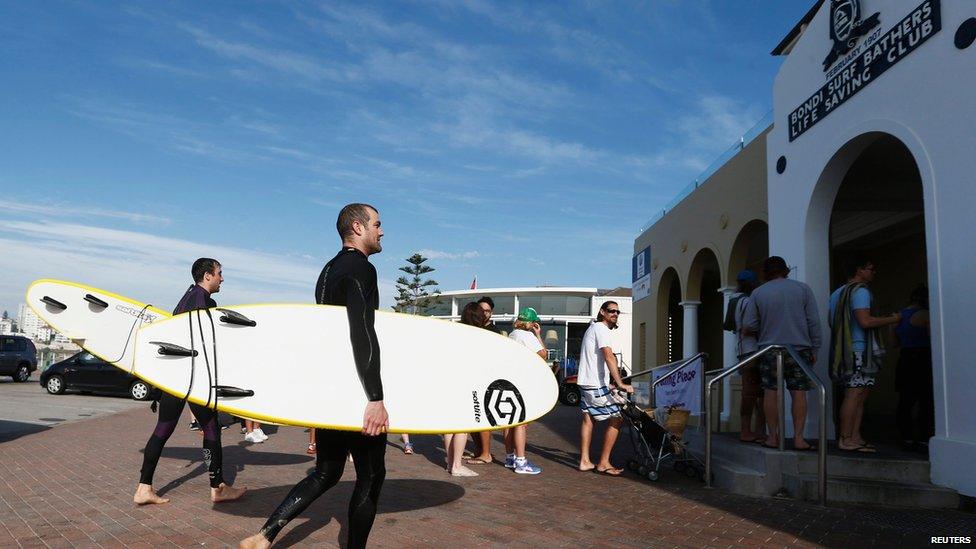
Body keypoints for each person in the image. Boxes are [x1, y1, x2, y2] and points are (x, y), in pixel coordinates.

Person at [240, 204, 389, 549]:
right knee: (371, 475)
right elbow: (362, 332)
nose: (381, 231)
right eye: (377, 225)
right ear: (358, 226)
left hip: (330, 390)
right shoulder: (361, 269)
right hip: (355, 391)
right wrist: (375, 397)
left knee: (326, 472)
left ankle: (264, 535)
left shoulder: (328, 271)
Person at [133, 258, 247, 505]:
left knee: (163, 430)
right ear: (207, 275)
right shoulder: (200, 302)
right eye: (219, 273)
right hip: (191, 379)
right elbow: (201, 343)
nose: (222, 278)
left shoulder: (187, 298)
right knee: (211, 427)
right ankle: (217, 488)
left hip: (175, 378)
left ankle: (144, 488)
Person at [742, 256, 822, 451]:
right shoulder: (803, 289)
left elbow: (749, 324)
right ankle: (799, 438)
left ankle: (773, 437)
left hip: (770, 349)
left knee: (771, 392)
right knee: (799, 393)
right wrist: (816, 347)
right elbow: (813, 321)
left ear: (765, 273)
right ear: (786, 270)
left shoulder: (758, 293)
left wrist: (766, 325)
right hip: (799, 349)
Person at [828, 256, 900, 453]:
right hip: (859, 350)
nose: (873, 272)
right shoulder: (860, 292)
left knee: (860, 394)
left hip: (845, 349)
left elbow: (832, 322)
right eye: (871, 268)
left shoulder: (836, 293)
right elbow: (865, 321)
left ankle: (855, 436)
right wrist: (892, 319)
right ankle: (845, 439)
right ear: (859, 270)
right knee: (854, 394)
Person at [577, 301, 633, 475]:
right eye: (611, 311)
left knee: (589, 420)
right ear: (602, 312)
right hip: (594, 383)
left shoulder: (593, 328)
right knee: (617, 418)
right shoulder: (601, 329)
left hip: (586, 381)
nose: (615, 314)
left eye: (617, 312)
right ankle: (603, 463)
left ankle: (585, 461)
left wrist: (608, 381)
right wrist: (621, 383)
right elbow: (608, 356)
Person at [441, 302, 484, 477]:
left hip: (449, 383)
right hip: (466, 384)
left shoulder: (454, 332)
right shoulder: (478, 336)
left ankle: (451, 463)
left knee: (449, 426)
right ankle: (457, 465)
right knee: (462, 425)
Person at [504, 307, 546, 475]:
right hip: (523, 383)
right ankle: (521, 462)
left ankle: (510, 457)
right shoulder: (527, 336)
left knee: (510, 421)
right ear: (531, 322)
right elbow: (543, 354)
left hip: (511, 381)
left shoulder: (513, 334)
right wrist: (538, 335)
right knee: (522, 421)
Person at [894, 285, 933, 453]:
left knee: (905, 400)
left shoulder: (898, 316)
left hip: (905, 358)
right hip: (923, 357)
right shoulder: (926, 315)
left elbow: (894, 343)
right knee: (926, 400)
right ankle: (924, 438)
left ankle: (906, 437)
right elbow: (934, 339)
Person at [733, 270, 765, 444]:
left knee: (756, 393)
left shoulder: (738, 301)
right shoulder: (748, 302)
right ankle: (748, 431)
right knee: (753, 393)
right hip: (752, 351)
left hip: (745, 351)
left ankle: (755, 431)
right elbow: (748, 328)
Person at [467, 296, 498, 466]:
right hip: (473, 378)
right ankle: (479, 451)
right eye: (481, 310)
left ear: (491, 313)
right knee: (473, 418)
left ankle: (486, 453)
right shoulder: (474, 329)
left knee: (483, 416)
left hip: (486, 379)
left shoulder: (494, 331)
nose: (484, 313)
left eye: (487, 310)